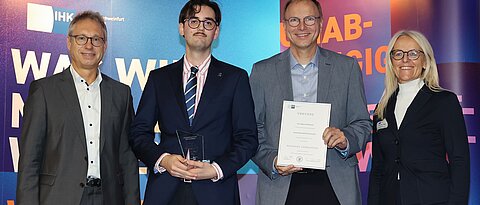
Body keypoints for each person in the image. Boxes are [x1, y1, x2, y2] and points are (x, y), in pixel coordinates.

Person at [129, 0, 258, 204]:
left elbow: (248, 138)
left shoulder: (236, 78)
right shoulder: (158, 78)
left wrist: (216, 169)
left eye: (208, 23)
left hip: (216, 192)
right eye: (194, 21)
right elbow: (138, 134)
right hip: (166, 189)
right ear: (182, 28)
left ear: (216, 32)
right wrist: (164, 160)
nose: (200, 28)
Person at [250, 0, 371, 204]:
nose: (302, 27)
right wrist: (272, 161)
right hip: (281, 184)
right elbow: (252, 130)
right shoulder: (262, 72)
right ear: (285, 26)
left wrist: (345, 139)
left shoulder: (347, 67)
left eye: (309, 19)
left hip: (335, 184)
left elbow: (363, 124)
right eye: (294, 20)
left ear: (321, 23)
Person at [16, 11, 140, 205]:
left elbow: (127, 158)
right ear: (69, 42)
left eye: (96, 39)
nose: (89, 45)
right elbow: (29, 161)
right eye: (81, 38)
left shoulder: (121, 94)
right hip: (58, 197)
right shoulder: (44, 91)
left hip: (109, 197)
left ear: (104, 46)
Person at [368, 30, 470, 205]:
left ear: (425, 61)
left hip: (432, 198)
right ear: (391, 61)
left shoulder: (444, 102)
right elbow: (378, 167)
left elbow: (459, 161)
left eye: (413, 53)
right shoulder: (381, 109)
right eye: (398, 54)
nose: (405, 59)